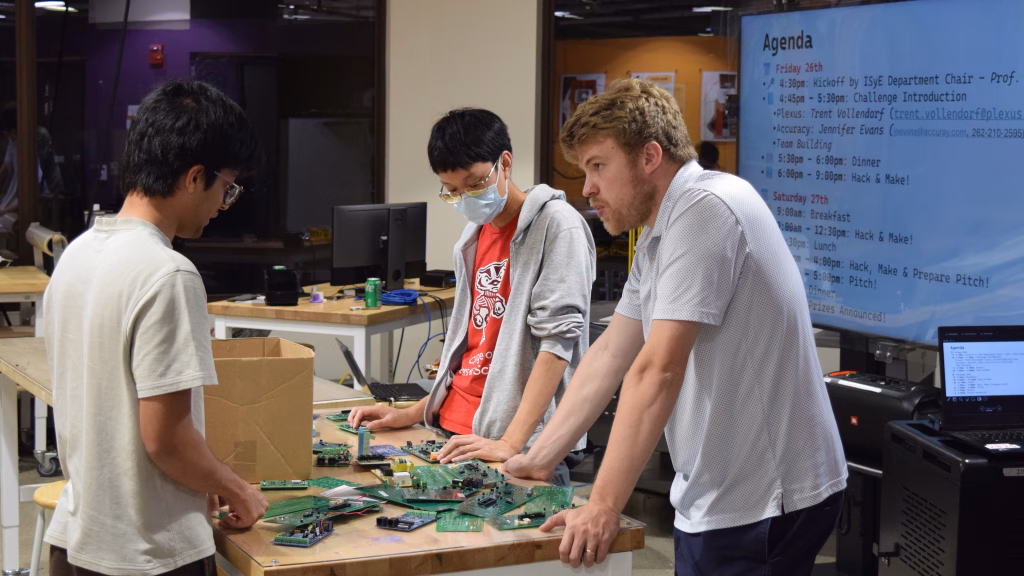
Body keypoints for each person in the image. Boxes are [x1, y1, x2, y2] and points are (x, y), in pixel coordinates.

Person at [506, 79, 847, 574]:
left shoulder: (705, 210)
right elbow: (610, 355)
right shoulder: (661, 232)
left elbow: (656, 370)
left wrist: (602, 505)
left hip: (765, 499)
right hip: (722, 491)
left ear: (649, 156)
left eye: (598, 166)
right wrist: (540, 457)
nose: (588, 189)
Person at [42, 81, 268, 576]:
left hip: (78, 537)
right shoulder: (168, 273)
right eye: (225, 187)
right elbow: (165, 439)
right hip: (148, 552)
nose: (223, 204)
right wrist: (237, 488)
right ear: (193, 177)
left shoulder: (76, 255)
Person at [348, 108, 595, 485]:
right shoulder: (472, 237)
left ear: (505, 163)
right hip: (452, 433)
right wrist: (415, 412)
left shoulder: (557, 225)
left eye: (475, 183)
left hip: (516, 444)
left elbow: (556, 343)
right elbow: (474, 354)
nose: (465, 198)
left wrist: (512, 442)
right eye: (453, 190)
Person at [0, 103, 64, 227]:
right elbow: (6, 167)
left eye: (8, 134)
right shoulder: (14, 139)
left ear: (14, 130)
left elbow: (33, 184)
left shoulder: (37, 137)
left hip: (45, 194)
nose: (8, 138)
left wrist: (7, 210)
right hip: (25, 194)